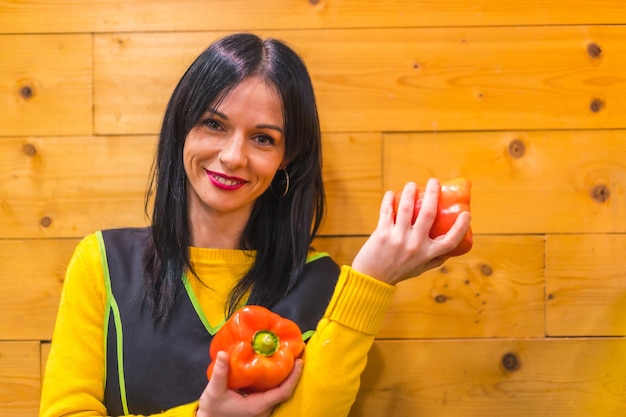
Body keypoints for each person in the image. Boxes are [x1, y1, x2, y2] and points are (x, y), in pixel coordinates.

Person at [39, 33, 471, 417]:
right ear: (182, 131)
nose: (232, 156)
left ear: (287, 159)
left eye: (263, 138)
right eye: (214, 124)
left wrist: (372, 281)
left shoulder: (321, 283)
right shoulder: (104, 264)